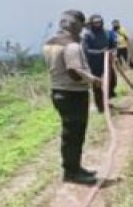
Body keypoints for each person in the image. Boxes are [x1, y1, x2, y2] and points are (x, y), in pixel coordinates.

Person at [43, 10, 104, 185]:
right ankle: (72, 172)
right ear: (76, 25)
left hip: (57, 91)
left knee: (69, 133)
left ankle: (74, 167)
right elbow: (74, 71)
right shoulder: (72, 46)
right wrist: (94, 80)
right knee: (75, 134)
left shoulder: (49, 44)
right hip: (73, 94)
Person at [81, 14, 118, 113]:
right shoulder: (87, 35)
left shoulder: (106, 33)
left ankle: (107, 101)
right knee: (97, 85)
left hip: (107, 62)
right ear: (92, 23)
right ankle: (100, 106)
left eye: (99, 22)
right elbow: (86, 51)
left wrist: (113, 52)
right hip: (94, 63)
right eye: (95, 22)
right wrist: (100, 52)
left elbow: (113, 45)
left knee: (112, 81)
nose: (97, 24)